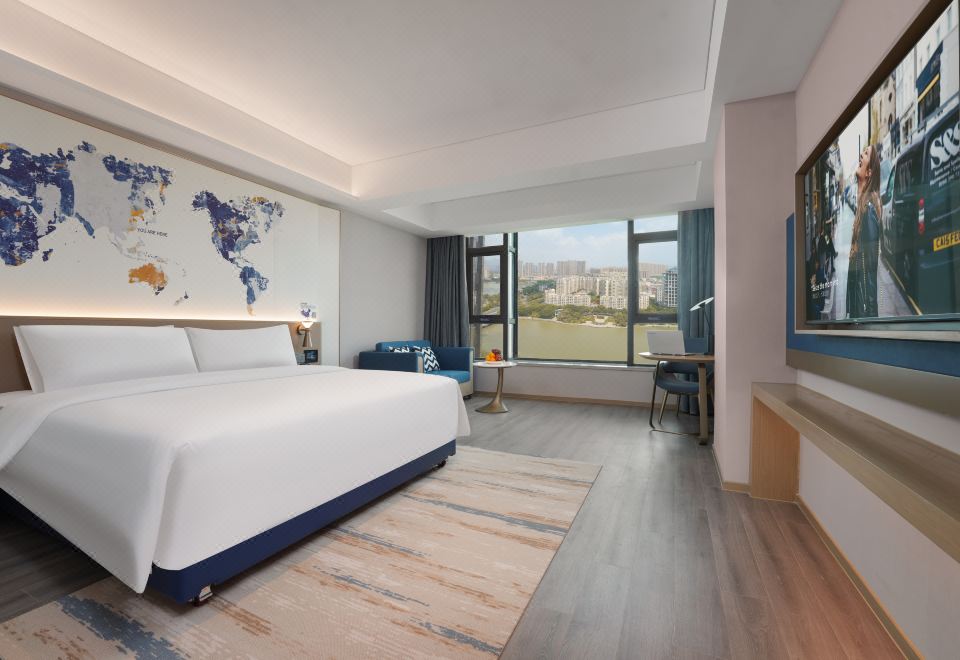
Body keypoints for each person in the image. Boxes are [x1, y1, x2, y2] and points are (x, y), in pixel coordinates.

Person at [846, 144, 882, 319]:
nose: (861, 155)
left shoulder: (869, 210)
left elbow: (871, 268)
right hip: (858, 304)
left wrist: (869, 315)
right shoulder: (862, 206)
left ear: (869, 172)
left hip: (863, 309)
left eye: (866, 154)